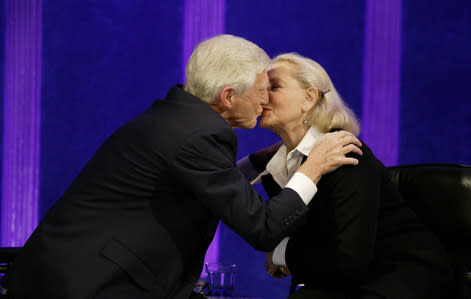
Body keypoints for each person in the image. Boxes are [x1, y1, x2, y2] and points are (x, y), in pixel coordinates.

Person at [1, 36, 363, 299]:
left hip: (65, 272)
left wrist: (256, 162)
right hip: (92, 283)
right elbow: (263, 227)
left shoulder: (177, 118)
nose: (265, 100)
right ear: (228, 96)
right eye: (261, 89)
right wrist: (312, 168)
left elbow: (198, 186)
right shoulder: (201, 135)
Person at [240, 52, 454, 298]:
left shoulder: (345, 153)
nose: (262, 96)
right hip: (347, 281)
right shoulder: (275, 169)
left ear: (309, 98)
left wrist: (282, 253)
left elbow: (349, 257)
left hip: (401, 277)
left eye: (274, 86)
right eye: (262, 88)